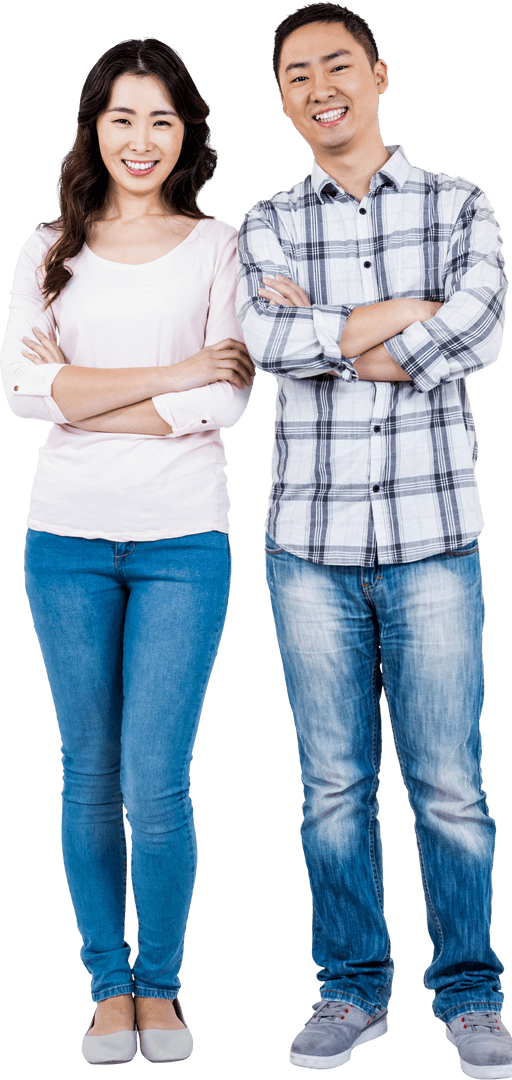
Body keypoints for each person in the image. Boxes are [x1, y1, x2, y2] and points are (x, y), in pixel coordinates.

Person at [237, 4, 512, 1077]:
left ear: (379, 74)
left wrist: (335, 330)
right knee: (330, 788)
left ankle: (470, 996)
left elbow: (479, 324)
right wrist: (408, 310)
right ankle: (350, 989)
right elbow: (268, 338)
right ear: (281, 99)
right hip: (307, 546)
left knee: (449, 788)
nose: (320, 88)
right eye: (296, 74)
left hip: (433, 537)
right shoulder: (266, 219)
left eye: (337, 65)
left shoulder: (459, 200)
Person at [1, 37, 254, 1066]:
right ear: (93, 129)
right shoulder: (45, 249)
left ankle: (162, 987)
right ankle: (108, 988)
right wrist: (168, 373)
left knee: (155, 781)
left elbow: (224, 399)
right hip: (64, 538)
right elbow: (23, 393)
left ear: (186, 132)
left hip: (182, 542)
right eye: (121, 119)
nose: (140, 140)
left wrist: (86, 392)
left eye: (161, 119)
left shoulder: (218, 247)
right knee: (87, 774)